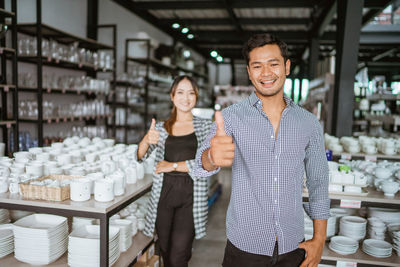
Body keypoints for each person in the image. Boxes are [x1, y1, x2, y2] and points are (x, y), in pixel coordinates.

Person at [194, 33, 330, 267]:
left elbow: (318, 181)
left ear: (287, 67)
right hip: (244, 246)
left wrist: (319, 239)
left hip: (293, 246)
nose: (266, 73)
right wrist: (211, 157)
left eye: (273, 64)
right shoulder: (230, 117)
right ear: (249, 71)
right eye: (257, 66)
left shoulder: (308, 122)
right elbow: (200, 165)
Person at [138, 75, 213, 267]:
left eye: (191, 93)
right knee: (165, 250)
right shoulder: (163, 128)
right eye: (180, 92)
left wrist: (172, 165)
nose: (185, 98)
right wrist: (147, 140)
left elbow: (208, 163)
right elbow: (141, 157)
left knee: (180, 255)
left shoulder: (205, 127)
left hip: (191, 196)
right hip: (164, 195)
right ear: (172, 96)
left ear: (196, 96)